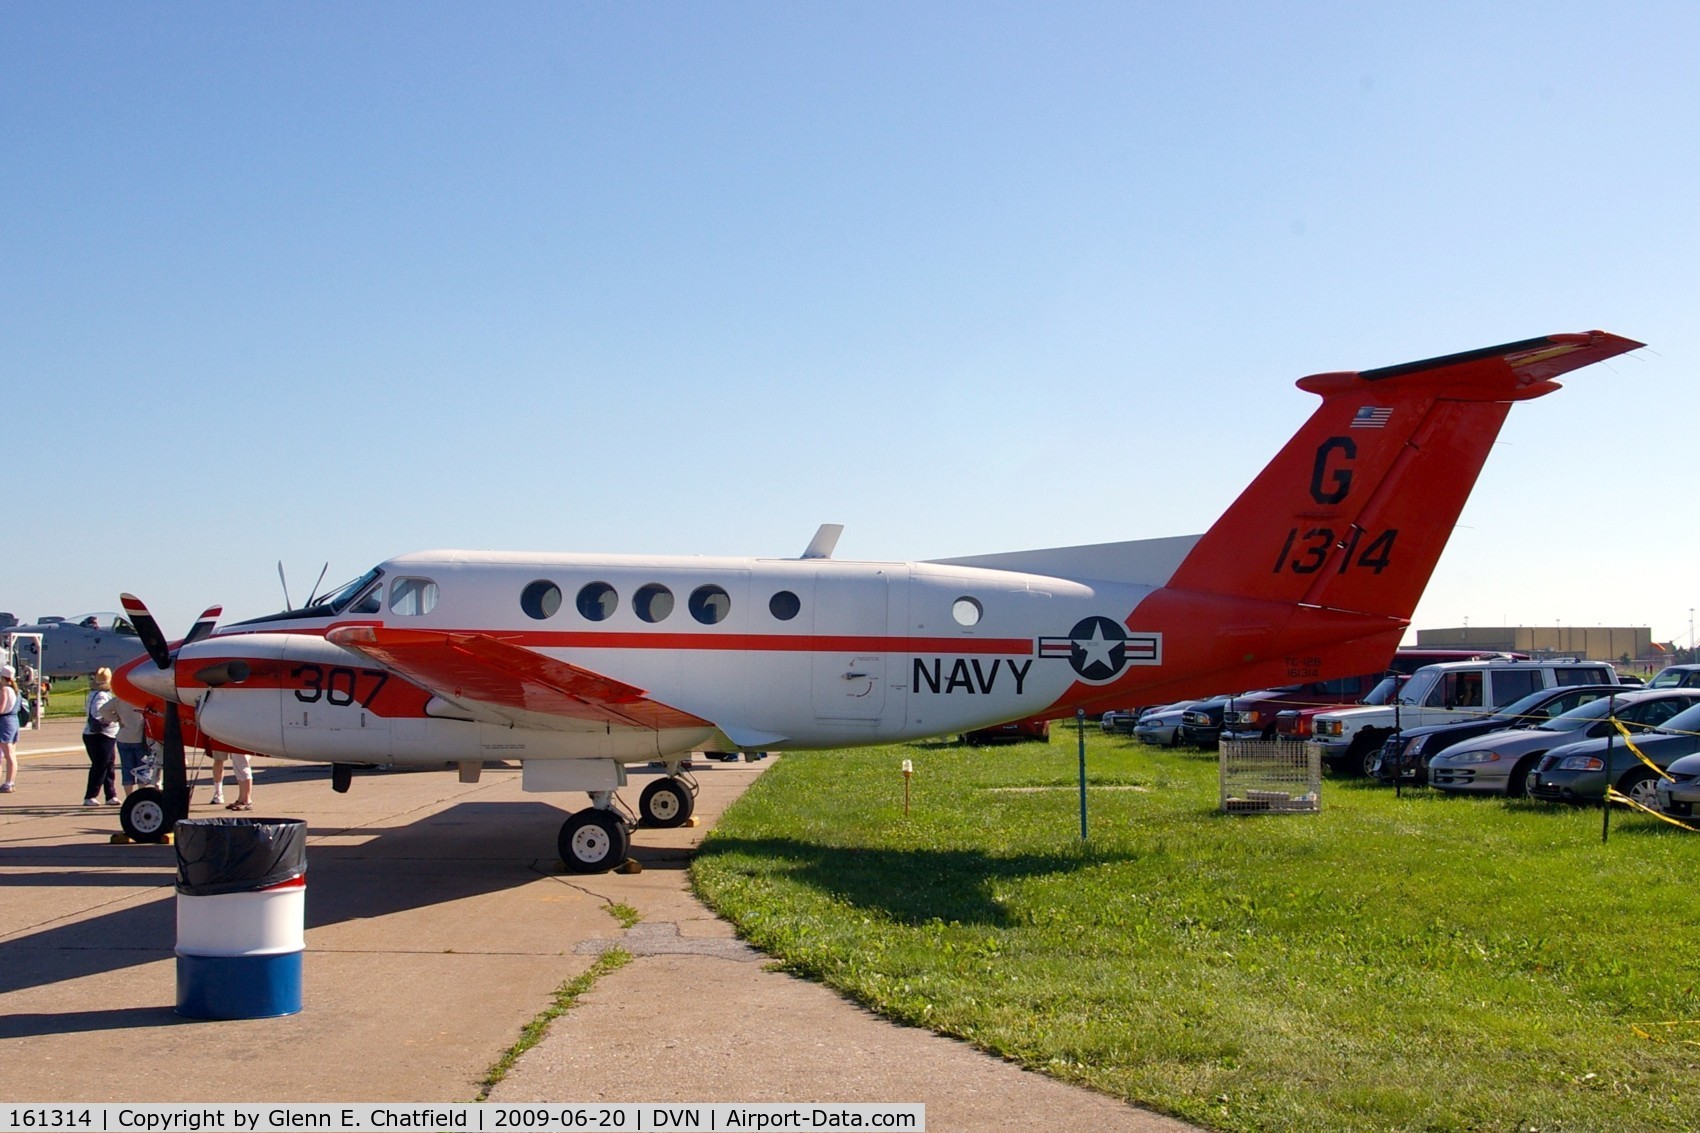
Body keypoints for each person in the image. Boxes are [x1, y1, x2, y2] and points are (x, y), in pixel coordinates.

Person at [82, 667, 120, 806]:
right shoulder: (102, 696)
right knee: (101, 765)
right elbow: (99, 713)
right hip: (102, 735)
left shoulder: (93, 694)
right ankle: (91, 795)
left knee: (108, 764)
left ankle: (110, 794)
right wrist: (112, 718)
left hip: (94, 734)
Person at [103, 695, 154, 797]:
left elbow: (103, 710)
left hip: (124, 736)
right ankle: (141, 796)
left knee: (127, 769)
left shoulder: (120, 698)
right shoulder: (144, 698)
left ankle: (129, 796)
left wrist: (117, 718)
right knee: (142, 769)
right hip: (141, 738)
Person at [0, 664, 20, 792]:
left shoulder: (4, 690)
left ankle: (8, 783)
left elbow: (1, 708)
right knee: (10, 753)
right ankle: (10, 782)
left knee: (7, 754)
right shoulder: (16, 691)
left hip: (4, 722)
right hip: (13, 721)